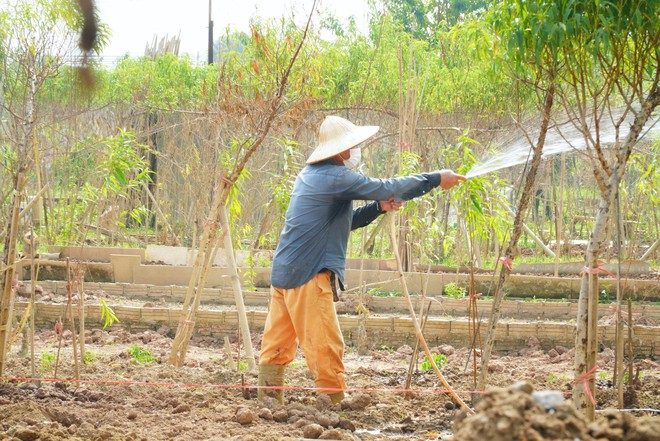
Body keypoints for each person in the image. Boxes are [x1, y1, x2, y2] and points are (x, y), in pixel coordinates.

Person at [258, 115, 466, 404]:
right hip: (308, 274)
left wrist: (378, 208)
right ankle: (331, 410)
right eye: (354, 145)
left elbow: (343, 222)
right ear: (342, 150)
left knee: (277, 345)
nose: (357, 150)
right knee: (326, 346)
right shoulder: (336, 176)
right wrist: (435, 179)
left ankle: (268, 404)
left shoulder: (310, 175)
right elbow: (387, 186)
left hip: (284, 273)